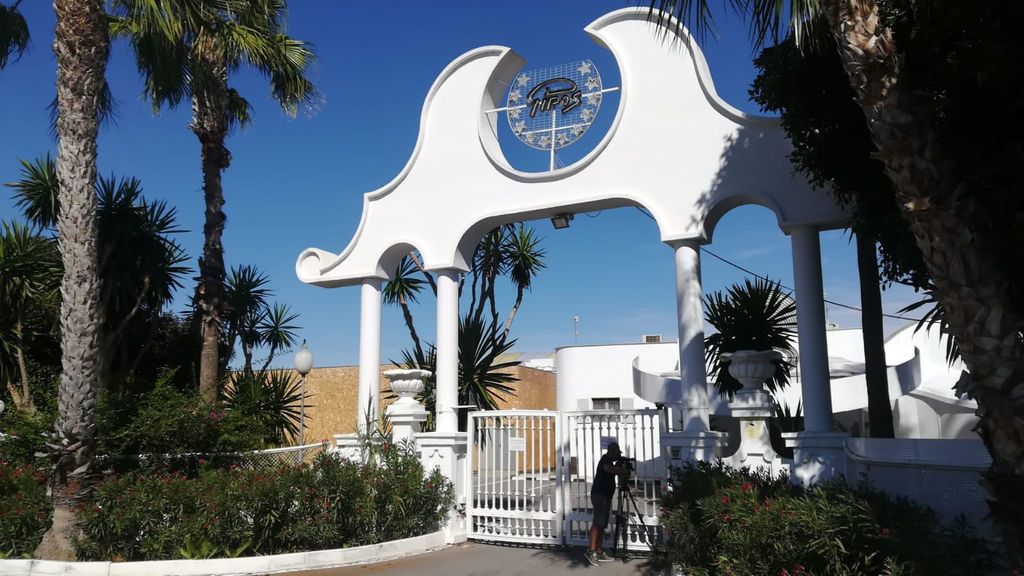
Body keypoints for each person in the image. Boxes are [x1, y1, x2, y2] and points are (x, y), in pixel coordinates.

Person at [585, 442, 628, 566]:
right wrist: (621, 470)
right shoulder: (605, 460)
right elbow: (608, 469)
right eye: (617, 454)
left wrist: (621, 468)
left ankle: (599, 551)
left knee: (602, 523)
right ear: (612, 452)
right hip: (599, 495)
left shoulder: (609, 460)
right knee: (598, 522)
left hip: (605, 496)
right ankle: (591, 551)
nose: (617, 456)